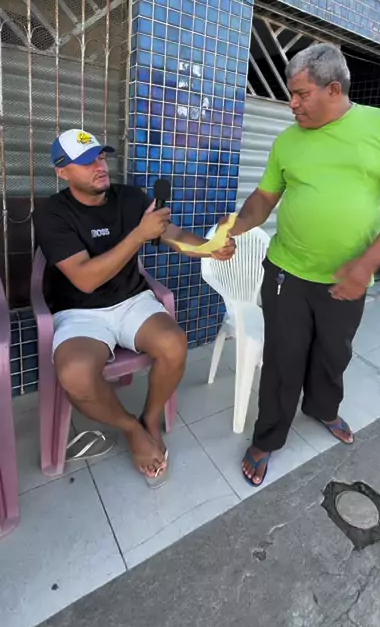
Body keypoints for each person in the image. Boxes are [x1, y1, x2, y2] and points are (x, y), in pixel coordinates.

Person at [230, 43, 380, 487]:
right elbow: (263, 198)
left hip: (347, 280)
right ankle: (268, 438)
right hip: (286, 271)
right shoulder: (287, 141)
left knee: (333, 353)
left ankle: (323, 409)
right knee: (283, 360)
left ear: (333, 89)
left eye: (301, 94)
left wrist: (365, 265)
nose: (292, 104)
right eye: (290, 94)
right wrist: (234, 230)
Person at [33, 129, 235, 488]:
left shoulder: (128, 198)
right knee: (76, 375)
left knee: (174, 344)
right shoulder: (52, 213)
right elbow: (85, 279)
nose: (99, 166)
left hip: (131, 301)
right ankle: (131, 428)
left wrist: (209, 247)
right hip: (79, 311)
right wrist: (139, 235)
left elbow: (172, 234)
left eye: (100, 157)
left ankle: (150, 418)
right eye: (86, 161)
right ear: (62, 171)